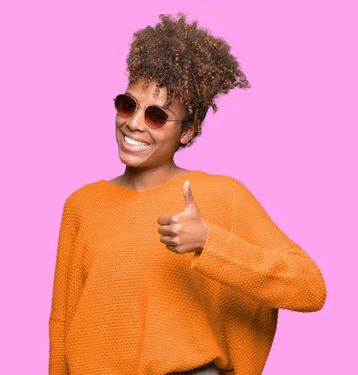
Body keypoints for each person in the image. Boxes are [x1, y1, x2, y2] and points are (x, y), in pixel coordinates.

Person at [48, 13, 327, 375]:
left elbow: (309, 287)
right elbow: (62, 320)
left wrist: (210, 242)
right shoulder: (81, 205)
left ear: (186, 131)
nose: (134, 123)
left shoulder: (223, 195)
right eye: (128, 105)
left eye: (157, 116)